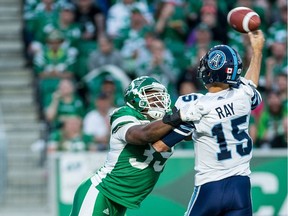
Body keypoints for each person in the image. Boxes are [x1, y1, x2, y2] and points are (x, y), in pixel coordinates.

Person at [153, 30, 265, 216]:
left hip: (210, 189)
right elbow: (251, 83)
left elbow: (160, 146)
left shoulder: (198, 106)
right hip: (241, 188)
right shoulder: (243, 95)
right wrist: (258, 50)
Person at [69, 76, 203, 216]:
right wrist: (178, 116)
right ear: (135, 98)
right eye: (151, 95)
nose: (158, 100)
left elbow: (189, 134)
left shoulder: (164, 123)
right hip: (102, 193)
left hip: (120, 203)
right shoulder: (124, 114)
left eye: (160, 95)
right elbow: (141, 135)